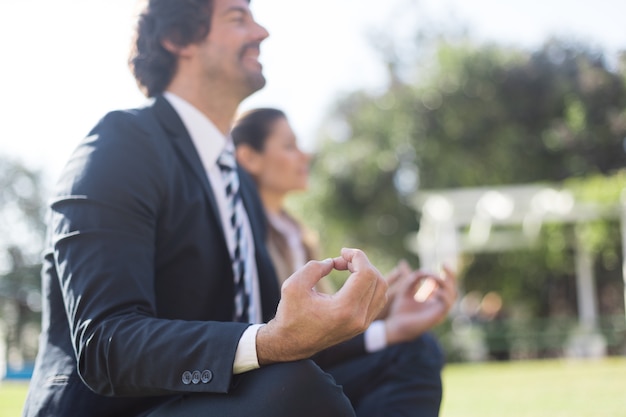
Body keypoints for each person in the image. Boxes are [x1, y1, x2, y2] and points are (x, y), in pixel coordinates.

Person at [20, 1, 449, 416]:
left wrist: (382, 325)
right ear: (178, 38)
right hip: (129, 408)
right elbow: (105, 345)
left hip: (225, 398)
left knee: (411, 352)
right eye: (237, 18)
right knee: (292, 387)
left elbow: (270, 328)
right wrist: (269, 342)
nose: (261, 32)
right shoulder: (120, 146)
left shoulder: (238, 182)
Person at [232, 107, 458, 415]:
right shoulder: (240, 235)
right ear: (249, 158)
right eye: (289, 146)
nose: (305, 155)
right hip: (276, 383)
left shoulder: (297, 233)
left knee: (420, 347)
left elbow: (322, 333)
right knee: (415, 351)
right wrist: (389, 329)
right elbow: (289, 335)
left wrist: (378, 306)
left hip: (311, 371)